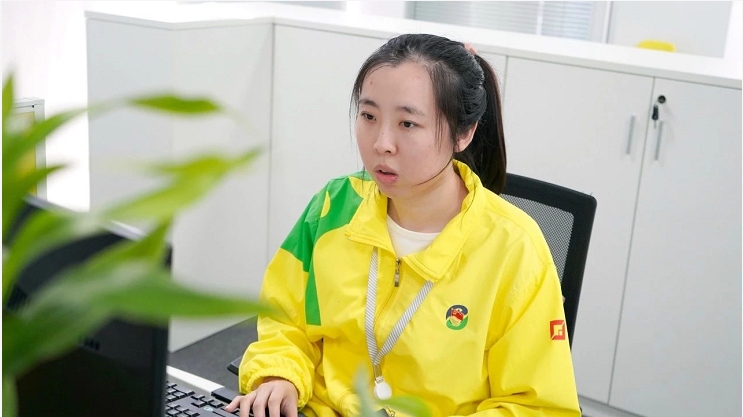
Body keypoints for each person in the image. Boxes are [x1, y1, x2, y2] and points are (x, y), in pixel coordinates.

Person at [226, 33, 581, 417]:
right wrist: (278, 376)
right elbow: (284, 319)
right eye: (369, 116)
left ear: (464, 133)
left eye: (408, 123)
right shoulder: (334, 205)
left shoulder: (515, 248)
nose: (382, 143)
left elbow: (538, 406)